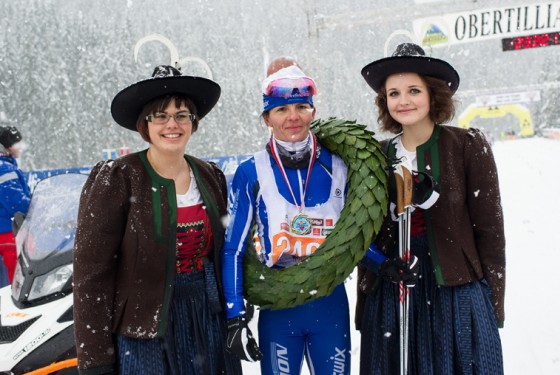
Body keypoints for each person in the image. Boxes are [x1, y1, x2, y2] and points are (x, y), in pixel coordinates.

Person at [221, 57, 412, 375]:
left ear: (313, 111)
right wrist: (235, 316)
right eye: (281, 109)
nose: (292, 117)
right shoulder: (251, 172)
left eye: (301, 107)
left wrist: (384, 265)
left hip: (329, 303)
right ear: (267, 118)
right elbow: (234, 249)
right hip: (279, 307)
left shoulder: (337, 166)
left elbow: (350, 237)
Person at [72, 65, 242, 374]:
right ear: (145, 124)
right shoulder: (118, 179)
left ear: (193, 121)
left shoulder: (210, 176)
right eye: (160, 115)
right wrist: (95, 359)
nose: (172, 124)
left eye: (182, 115)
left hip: (208, 320)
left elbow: (226, 253)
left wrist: (236, 313)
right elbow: (91, 276)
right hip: (144, 332)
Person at [356, 43, 505, 374]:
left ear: (432, 94)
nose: (404, 100)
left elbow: (490, 232)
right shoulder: (374, 155)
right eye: (393, 93)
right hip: (394, 287)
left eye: (413, 90)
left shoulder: (467, 146)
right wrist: (381, 268)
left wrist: (494, 303)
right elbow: (360, 232)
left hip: (455, 289)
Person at [0, 125, 30, 285]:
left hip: (5, 231)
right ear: (7, 147)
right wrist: (33, 205)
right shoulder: (4, 169)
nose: (20, 147)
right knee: (15, 281)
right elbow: (16, 202)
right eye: (16, 143)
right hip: (7, 233)